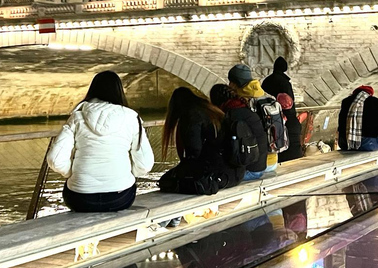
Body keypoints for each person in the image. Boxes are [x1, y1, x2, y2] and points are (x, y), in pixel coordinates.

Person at [48, 71, 154, 212]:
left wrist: (71, 174)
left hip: (81, 199)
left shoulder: (77, 117)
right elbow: (145, 165)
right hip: (120, 198)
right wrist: (125, 174)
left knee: (72, 188)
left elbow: (55, 159)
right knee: (127, 185)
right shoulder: (132, 118)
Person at [159, 88, 244, 194]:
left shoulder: (191, 115)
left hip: (216, 177)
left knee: (166, 181)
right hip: (236, 174)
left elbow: (194, 151)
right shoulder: (212, 111)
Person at [209, 84, 268, 179]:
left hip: (250, 171)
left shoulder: (231, 116)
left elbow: (224, 146)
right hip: (260, 166)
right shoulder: (245, 109)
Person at [228, 64, 279, 174]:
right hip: (273, 162)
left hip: (255, 166)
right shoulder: (268, 97)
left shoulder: (241, 103)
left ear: (233, 83)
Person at [261, 57, 302, 162]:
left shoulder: (266, 81)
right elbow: (289, 102)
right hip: (287, 119)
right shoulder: (285, 82)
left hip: (269, 117)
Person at [338, 86, 378, 151]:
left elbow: (340, 125)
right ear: (369, 93)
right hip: (367, 145)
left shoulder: (345, 101)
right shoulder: (374, 101)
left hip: (345, 144)